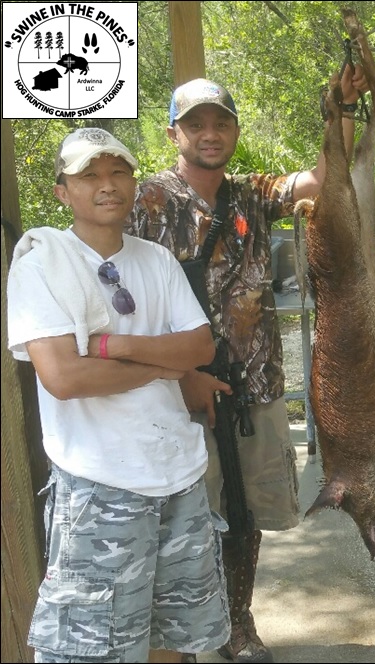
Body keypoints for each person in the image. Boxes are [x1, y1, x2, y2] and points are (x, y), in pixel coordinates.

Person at [127, 67, 367, 663]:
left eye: (221, 123)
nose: (210, 133)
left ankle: (238, 621)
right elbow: (119, 295)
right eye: (196, 124)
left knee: (245, 514)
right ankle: (184, 635)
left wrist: (336, 109)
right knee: (184, 517)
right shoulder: (146, 201)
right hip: (175, 391)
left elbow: (323, 179)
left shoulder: (252, 193)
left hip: (254, 386)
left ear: (233, 131)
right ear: (173, 134)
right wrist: (181, 377)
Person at [6, 127, 230, 664]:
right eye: (89, 176)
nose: (107, 186)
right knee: (92, 651)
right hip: (99, 485)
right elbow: (65, 378)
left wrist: (115, 347)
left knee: (171, 636)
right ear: (64, 191)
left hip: (177, 474)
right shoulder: (43, 265)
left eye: (118, 172)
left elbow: (200, 346)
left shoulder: (156, 260)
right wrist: (161, 364)